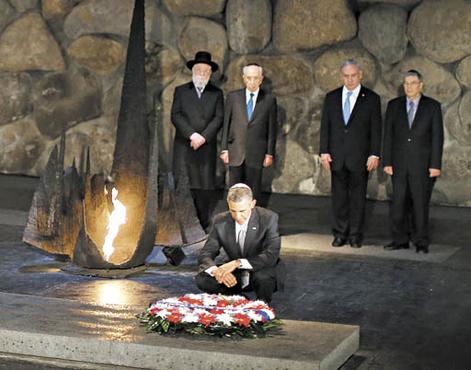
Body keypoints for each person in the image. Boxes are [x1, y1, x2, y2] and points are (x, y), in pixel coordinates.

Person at [319, 59, 382, 248]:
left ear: (360, 75)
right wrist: (324, 152)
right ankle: (340, 234)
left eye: (353, 75)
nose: (350, 79)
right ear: (341, 76)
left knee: (357, 199)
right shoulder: (331, 97)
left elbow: (376, 129)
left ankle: (355, 235)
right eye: (346, 76)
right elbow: (325, 127)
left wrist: (374, 154)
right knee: (339, 199)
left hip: (360, 157)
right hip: (337, 157)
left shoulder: (371, 98)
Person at [383, 70, 444, 253]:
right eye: (406, 83)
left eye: (412, 83)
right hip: (399, 164)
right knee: (398, 204)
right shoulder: (394, 106)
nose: (409, 86)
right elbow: (389, 136)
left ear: (421, 85)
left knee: (420, 204)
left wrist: (435, 165)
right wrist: (387, 161)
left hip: (422, 166)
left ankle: (421, 241)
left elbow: (437, 137)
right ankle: (399, 239)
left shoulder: (432, 107)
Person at [195, 183, 285, 303]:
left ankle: (262, 305)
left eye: (242, 211)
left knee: (263, 277)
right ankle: (236, 299)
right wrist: (216, 271)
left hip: (260, 269)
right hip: (235, 275)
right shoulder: (220, 220)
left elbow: (271, 255)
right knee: (202, 279)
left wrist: (237, 263)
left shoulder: (269, 218)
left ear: (252, 204)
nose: (237, 216)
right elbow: (206, 253)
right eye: (233, 211)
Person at [171, 51, 224, 231]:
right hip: (185, 146)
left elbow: (219, 118)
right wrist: (192, 135)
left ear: (210, 74)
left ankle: (202, 223)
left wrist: (203, 137)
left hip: (205, 146)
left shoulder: (216, 94)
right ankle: (182, 223)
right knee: (184, 184)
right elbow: (175, 115)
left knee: (204, 187)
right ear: (193, 71)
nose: (202, 73)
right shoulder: (181, 91)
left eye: (206, 71)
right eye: (199, 70)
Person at [220, 63, 277, 204]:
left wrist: (269, 153)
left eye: (255, 78)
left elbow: (271, 129)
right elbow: (226, 124)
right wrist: (224, 149)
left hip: (257, 152)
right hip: (236, 151)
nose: (252, 82)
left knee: (254, 188)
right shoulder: (233, 97)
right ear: (244, 78)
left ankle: (252, 219)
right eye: (249, 78)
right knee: (235, 188)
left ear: (261, 79)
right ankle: (234, 218)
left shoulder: (269, 100)